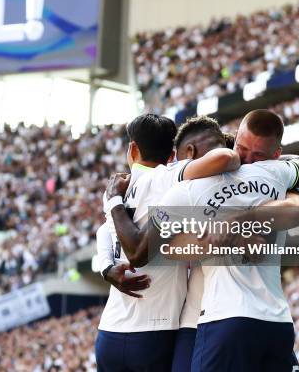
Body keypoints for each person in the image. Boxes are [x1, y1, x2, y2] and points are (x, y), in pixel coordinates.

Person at [107, 109, 299, 372]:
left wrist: (235, 223)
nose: (243, 160)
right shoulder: (270, 176)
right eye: (240, 150)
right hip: (222, 318)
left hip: (220, 318)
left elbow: (144, 250)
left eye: (257, 156)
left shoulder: (199, 188)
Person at [95, 114, 241, 372]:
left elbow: (103, 233)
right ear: (173, 153)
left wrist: (107, 268)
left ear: (132, 149)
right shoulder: (168, 176)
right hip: (155, 331)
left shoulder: (118, 187)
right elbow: (221, 160)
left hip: (109, 331)